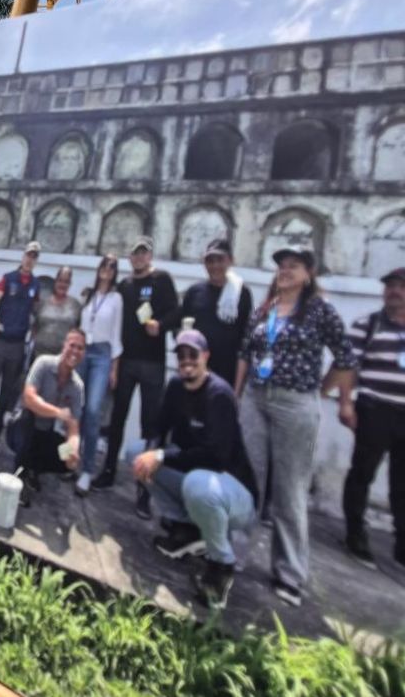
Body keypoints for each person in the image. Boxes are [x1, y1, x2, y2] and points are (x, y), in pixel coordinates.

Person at [235, 245, 357, 606]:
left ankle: (289, 573)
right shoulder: (265, 309)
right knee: (247, 481)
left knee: (290, 488)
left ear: (308, 274)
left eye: (294, 266)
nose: (285, 271)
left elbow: (346, 359)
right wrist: (237, 395)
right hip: (256, 398)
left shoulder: (320, 311)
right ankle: (235, 552)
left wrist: (321, 390)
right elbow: (246, 353)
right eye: (281, 266)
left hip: (295, 403)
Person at [132, 330, 259, 611]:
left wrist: (162, 454)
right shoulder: (176, 386)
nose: (187, 361)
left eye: (193, 355)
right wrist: (150, 453)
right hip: (196, 476)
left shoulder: (219, 395)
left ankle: (221, 565)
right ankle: (184, 530)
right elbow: (158, 426)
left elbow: (215, 457)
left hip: (232, 491)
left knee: (197, 484)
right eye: (181, 356)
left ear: (206, 357)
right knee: (135, 454)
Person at [95, 236, 180, 523]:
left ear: (150, 255)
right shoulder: (125, 286)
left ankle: (144, 491)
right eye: (135, 254)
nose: (139, 258)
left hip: (154, 364)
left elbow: (176, 312)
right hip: (127, 361)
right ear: (131, 258)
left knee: (149, 426)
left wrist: (161, 325)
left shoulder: (162, 279)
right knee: (116, 419)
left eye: (144, 253)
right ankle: (108, 472)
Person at [338, 266, 405, 570]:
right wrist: (346, 403)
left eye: (401, 286)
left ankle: (402, 544)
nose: (396, 291)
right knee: (362, 473)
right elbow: (348, 367)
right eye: (391, 285)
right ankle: (356, 535)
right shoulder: (369, 324)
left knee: (401, 484)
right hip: (375, 408)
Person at [0, 241, 43, 454]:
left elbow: (36, 311)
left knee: (6, 395)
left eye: (34, 256)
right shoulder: (8, 278)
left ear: (36, 260)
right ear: (23, 256)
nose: (30, 259)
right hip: (0, 342)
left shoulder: (35, 285)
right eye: (28, 255)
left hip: (18, 345)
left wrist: (33, 332)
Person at [15, 329, 86, 499]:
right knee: (27, 422)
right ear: (64, 346)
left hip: (44, 433)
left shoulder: (77, 386)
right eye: (72, 346)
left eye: (80, 348)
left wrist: (73, 452)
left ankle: (34, 469)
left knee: (66, 457)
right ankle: (19, 474)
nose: (75, 351)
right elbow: (29, 398)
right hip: (21, 426)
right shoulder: (43, 363)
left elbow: (74, 429)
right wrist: (58, 412)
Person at [75, 254, 123, 497]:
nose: (107, 269)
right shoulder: (90, 295)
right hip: (83, 352)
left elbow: (116, 335)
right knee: (77, 407)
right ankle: (71, 460)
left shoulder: (116, 299)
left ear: (115, 272)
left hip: (103, 355)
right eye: (104, 264)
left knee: (93, 410)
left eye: (112, 266)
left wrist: (114, 367)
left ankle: (87, 469)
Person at [178, 239, 252, 387]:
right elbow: (180, 326)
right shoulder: (194, 292)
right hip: (195, 369)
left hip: (226, 372)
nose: (215, 265)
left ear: (230, 261)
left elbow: (246, 336)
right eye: (210, 261)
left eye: (220, 260)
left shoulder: (241, 294)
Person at [33, 266, 82, 358]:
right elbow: (35, 327)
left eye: (66, 282)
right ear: (55, 281)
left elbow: (78, 329)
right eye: (60, 280)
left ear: (70, 284)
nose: (62, 284)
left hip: (63, 357)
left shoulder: (76, 305)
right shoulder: (43, 302)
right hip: (39, 354)